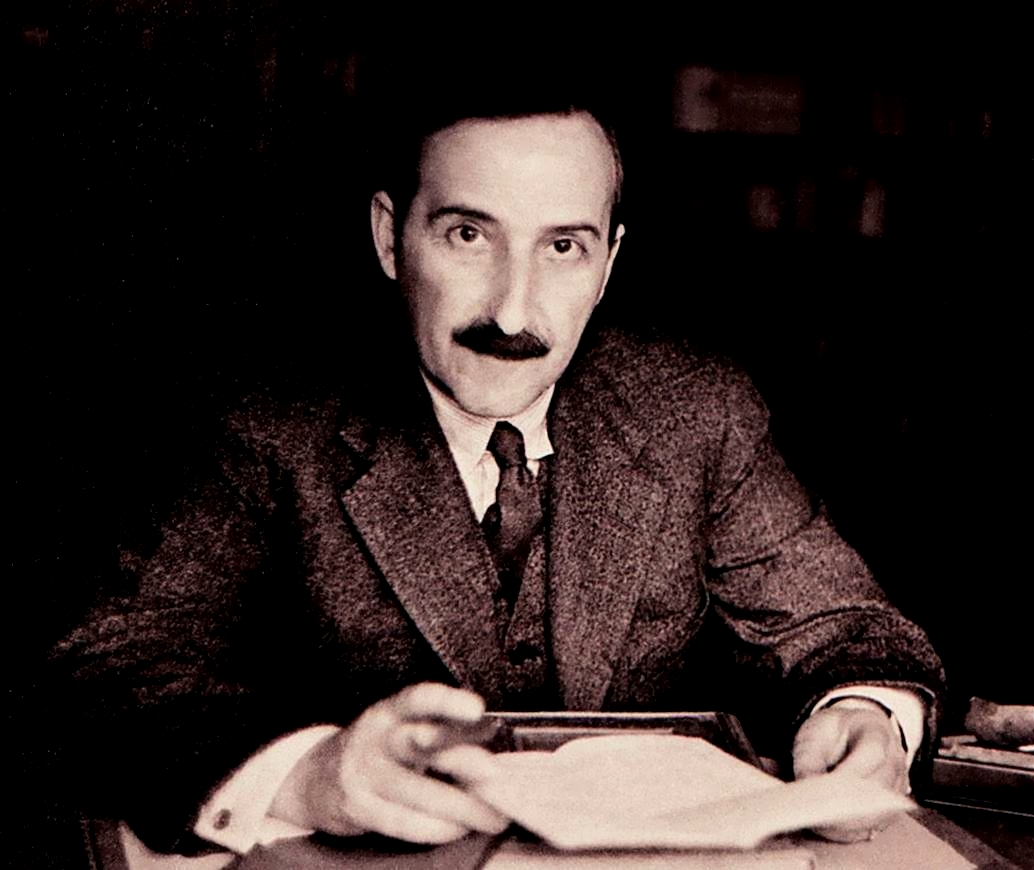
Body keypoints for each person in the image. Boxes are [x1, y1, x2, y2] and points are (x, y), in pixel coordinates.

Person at [50, 75, 944, 860]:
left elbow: (842, 626)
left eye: (562, 247)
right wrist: (308, 775)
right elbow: (110, 665)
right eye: (469, 235)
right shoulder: (271, 424)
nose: (513, 311)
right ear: (390, 238)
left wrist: (864, 716)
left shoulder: (693, 412)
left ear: (608, 264)